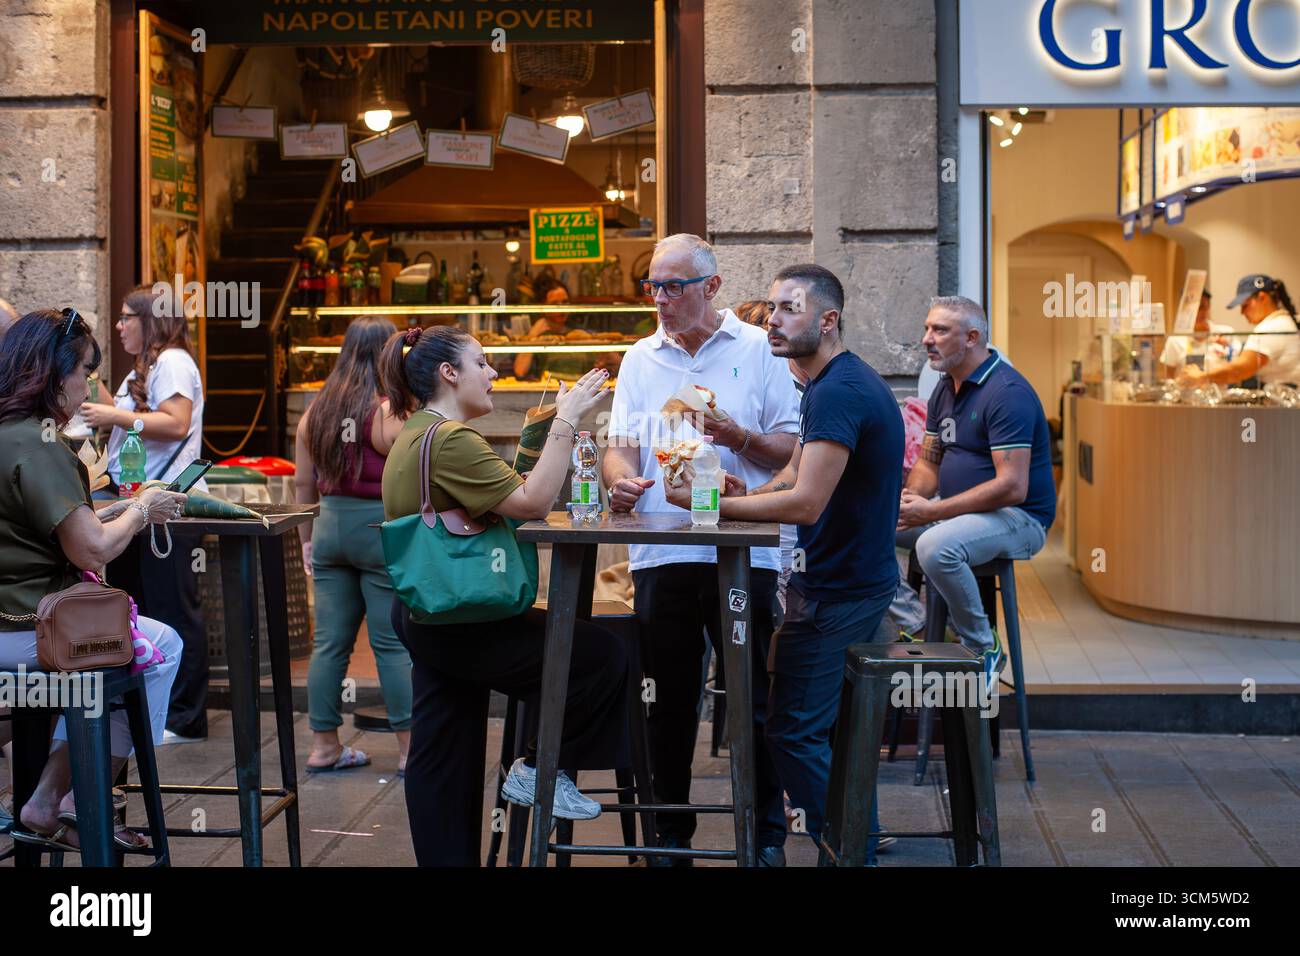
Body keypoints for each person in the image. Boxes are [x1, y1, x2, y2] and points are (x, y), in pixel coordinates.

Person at [664, 264, 904, 863]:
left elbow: (805, 502)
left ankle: (848, 850)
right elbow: (793, 474)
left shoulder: (839, 391)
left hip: (841, 590)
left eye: (789, 309)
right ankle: (856, 839)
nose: (772, 320)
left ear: (828, 320)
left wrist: (712, 507)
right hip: (843, 583)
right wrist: (740, 494)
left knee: (792, 731)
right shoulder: (826, 385)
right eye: (771, 308)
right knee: (813, 729)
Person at [379, 325, 628, 866]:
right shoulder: (452, 440)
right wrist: (566, 421)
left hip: (430, 609)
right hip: (459, 617)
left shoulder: (417, 432)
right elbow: (533, 502)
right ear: (449, 373)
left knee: (443, 750)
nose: (493, 373)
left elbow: (502, 494)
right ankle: (537, 769)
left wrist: (541, 435)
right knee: (601, 655)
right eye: (482, 362)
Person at [603, 234, 800, 866]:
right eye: (653, 287)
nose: (660, 299)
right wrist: (619, 481)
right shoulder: (640, 357)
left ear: (711, 287)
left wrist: (736, 435)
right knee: (667, 700)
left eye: (673, 286)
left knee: (755, 699)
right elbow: (621, 445)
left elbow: (791, 448)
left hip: (743, 550)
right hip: (662, 549)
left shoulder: (759, 347)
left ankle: (766, 834)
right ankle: (669, 833)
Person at [0, 308, 184, 852]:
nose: (87, 387)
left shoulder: (9, 434)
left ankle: (53, 793)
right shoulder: (39, 443)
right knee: (162, 647)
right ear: (53, 373)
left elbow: (44, 526)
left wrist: (108, 513)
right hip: (29, 630)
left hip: (12, 622)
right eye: (84, 371)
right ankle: (66, 796)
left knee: (127, 650)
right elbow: (92, 549)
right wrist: (143, 508)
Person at [895, 296, 1056, 686]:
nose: (926, 339)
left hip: (1020, 518)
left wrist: (932, 512)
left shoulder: (1007, 392)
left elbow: (1012, 487)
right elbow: (929, 463)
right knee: (864, 528)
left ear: (971, 337)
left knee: (936, 547)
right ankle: (919, 625)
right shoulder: (945, 390)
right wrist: (910, 500)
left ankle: (982, 647)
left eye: (939, 330)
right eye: (927, 328)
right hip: (958, 514)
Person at [79, 285, 208, 744]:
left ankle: (184, 718)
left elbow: (175, 422)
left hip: (165, 504)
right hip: (139, 503)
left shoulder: (173, 360)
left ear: (151, 320)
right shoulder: (145, 366)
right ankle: (152, 714)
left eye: (126, 317)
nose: (118, 326)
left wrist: (112, 416)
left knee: (171, 610)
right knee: (140, 608)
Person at [294, 316, 411, 774]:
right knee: (391, 645)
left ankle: (324, 746)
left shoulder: (316, 413)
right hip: (379, 532)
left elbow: (303, 484)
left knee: (328, 644)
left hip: (329, 529)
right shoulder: (387, 412)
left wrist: (306, 541)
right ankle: (410, 751)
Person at [1178, 274, 1300, 387]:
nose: (1242, 312)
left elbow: (1239, 370)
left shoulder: (1272, 327)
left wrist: (1202, 377)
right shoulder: (1281, 322)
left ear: (1262, 298)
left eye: (1245, 305)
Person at [1160, 288, 1233, 377]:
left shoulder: (1226, 333)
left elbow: (1236, 369)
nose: (1197, 312)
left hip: (1219, 386)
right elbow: (1168, 377)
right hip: (1185, 386)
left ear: (1208, 306)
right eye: (1192, 307)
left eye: (1202, 306)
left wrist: (1228, 348)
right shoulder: (1175, 340)